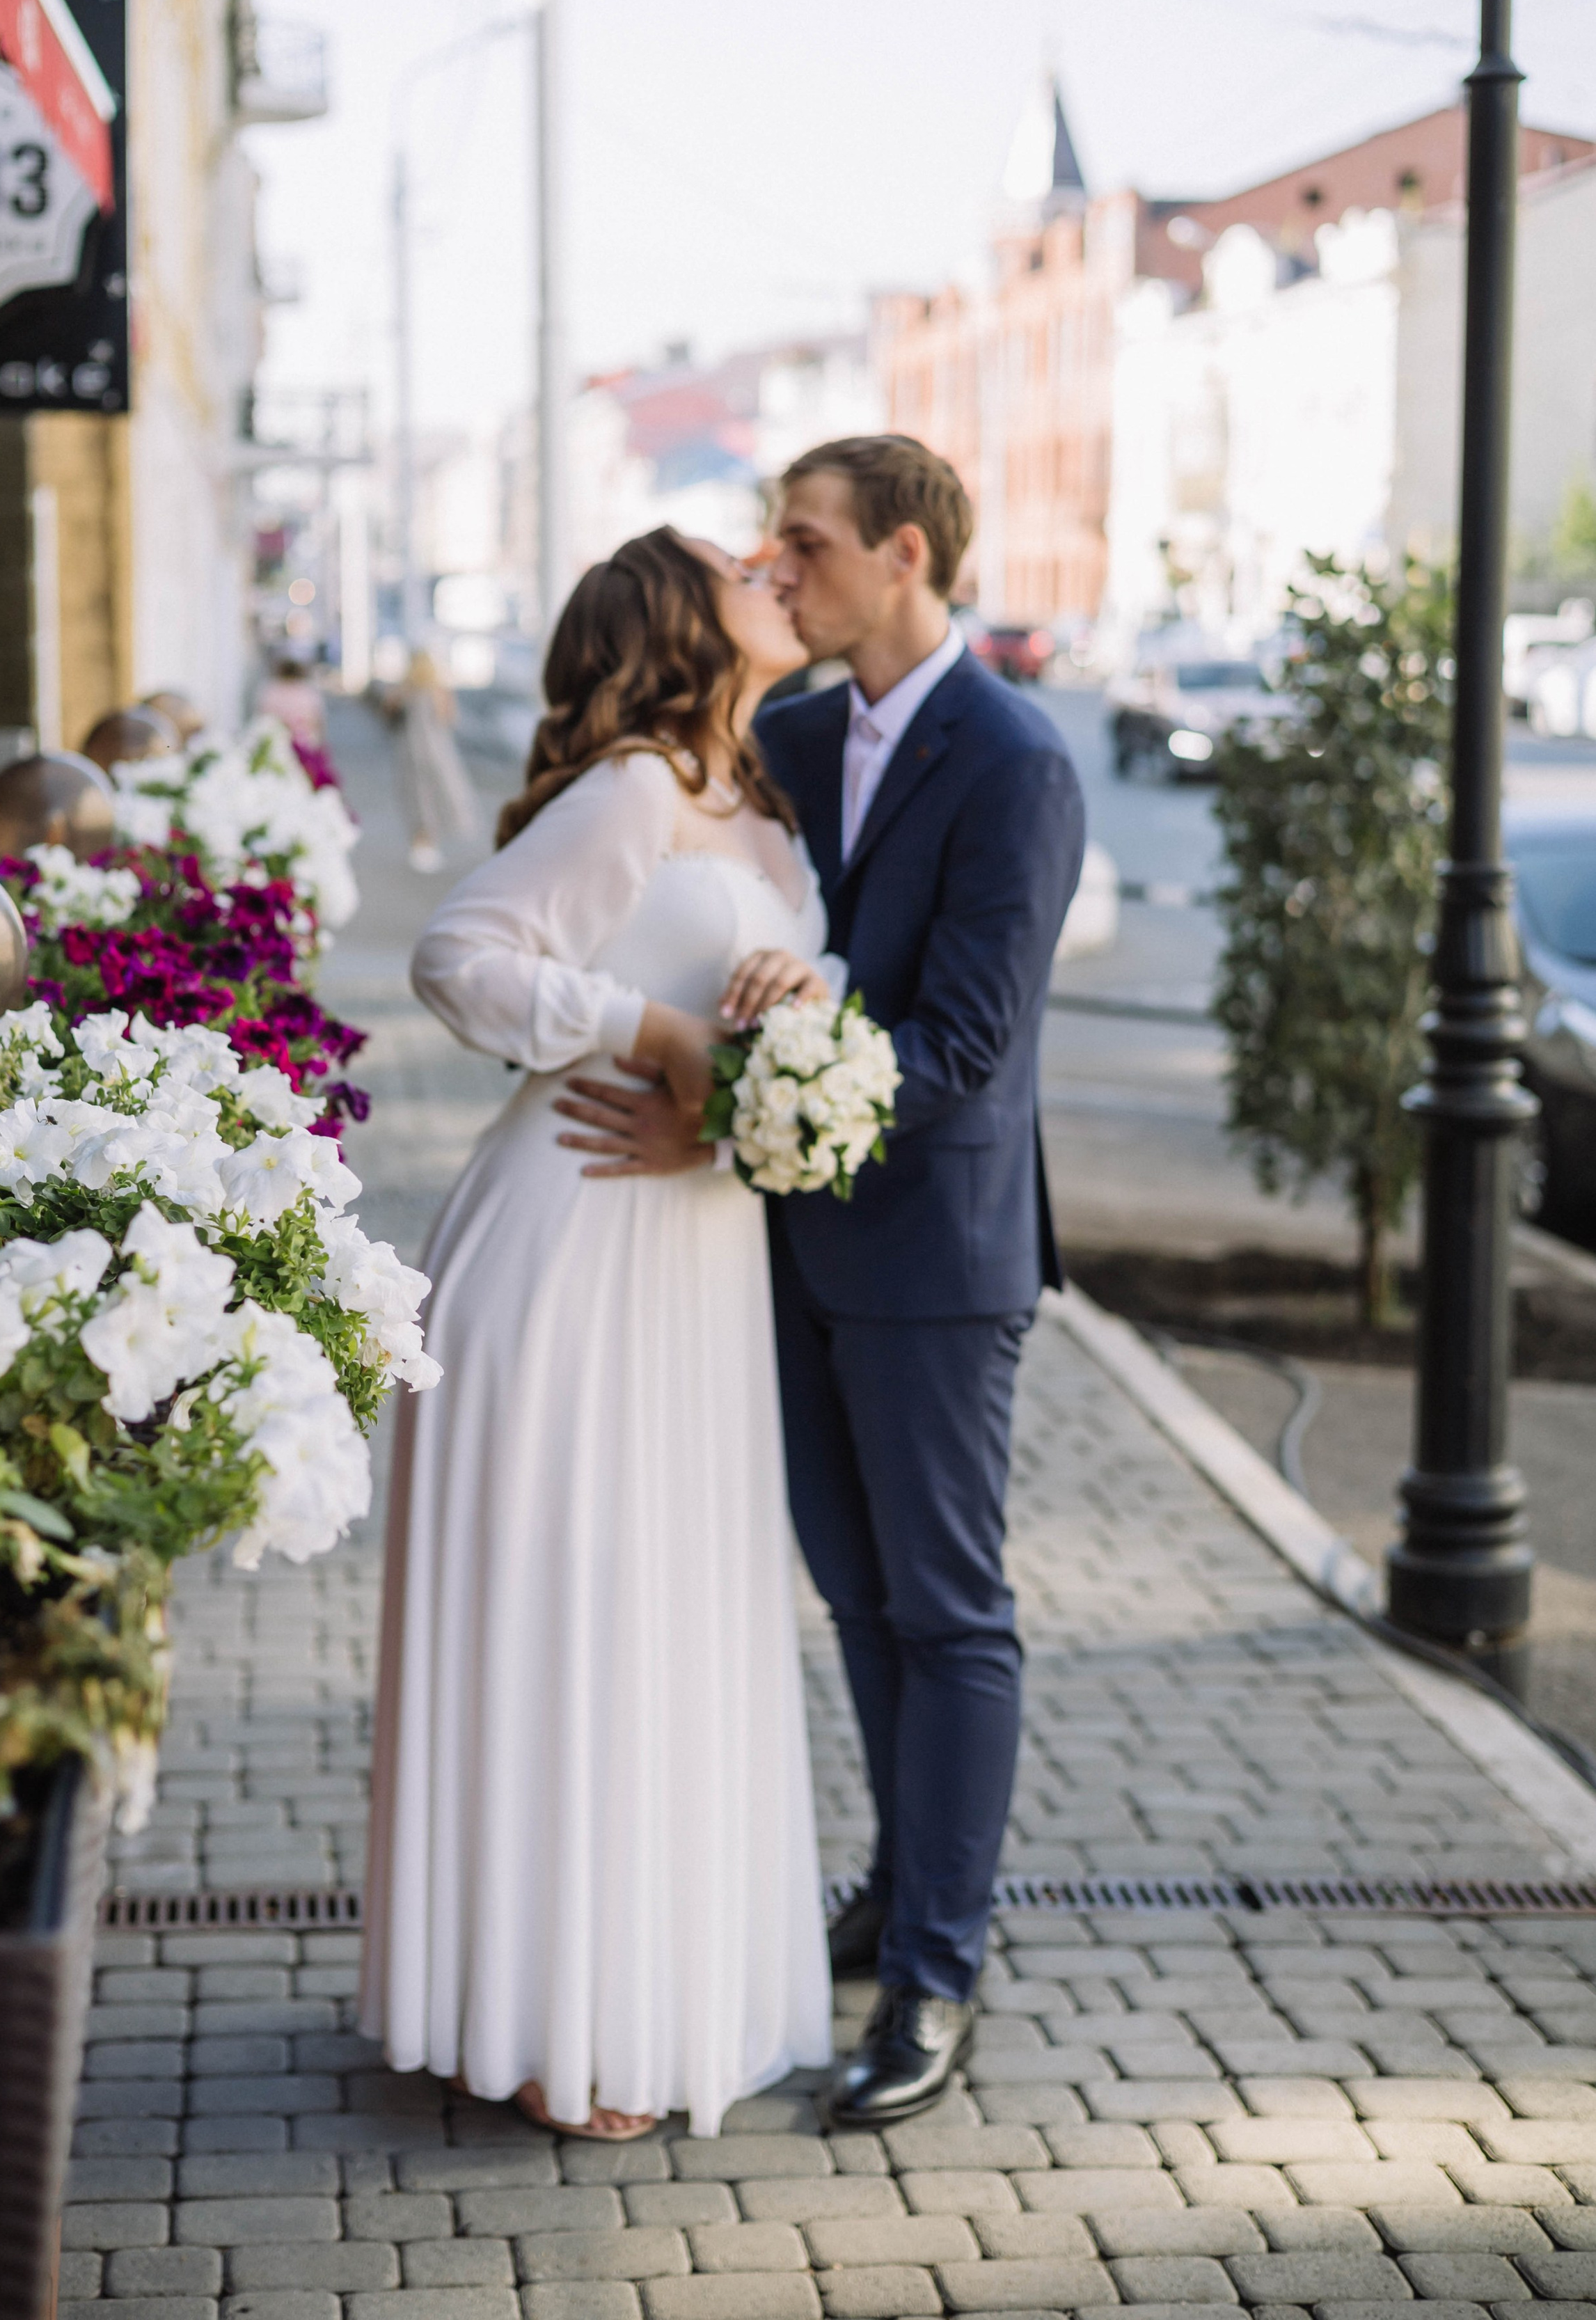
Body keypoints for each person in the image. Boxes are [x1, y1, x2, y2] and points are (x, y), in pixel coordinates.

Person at [566, 436, 1084, 2126]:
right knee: (855, 1595)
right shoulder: (785, 732)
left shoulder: (1013, 760)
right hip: (773, 1239)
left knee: (948, 1610)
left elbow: (967, 1042)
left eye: (804, 542)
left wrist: (767, 1070)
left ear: (906, 554)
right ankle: (898, 1880)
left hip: (932, 1250)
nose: (776, 569)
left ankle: (935, 1968)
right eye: (772, 543)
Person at [361, 527, 835, 2138]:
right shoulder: (631, 784)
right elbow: (458, 956)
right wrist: (650, 1029)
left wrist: (793, 998)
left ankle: (642, 1983)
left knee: (674, 1623)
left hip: (693, 1251)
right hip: (568, 1250)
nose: (767, 560)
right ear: (671, 616)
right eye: (731, 556)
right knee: (581, 1622)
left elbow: (751, 1022)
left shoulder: (759, 803)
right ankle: (548, 2013)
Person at [388, 644, 480, 874]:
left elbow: (388, 716)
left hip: (410, 748)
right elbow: (449, 719)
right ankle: (431, 844)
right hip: (437, 749)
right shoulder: (439, 690)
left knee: (417, 796)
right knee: (440, 792)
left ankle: (421, 844)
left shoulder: (405, 690)